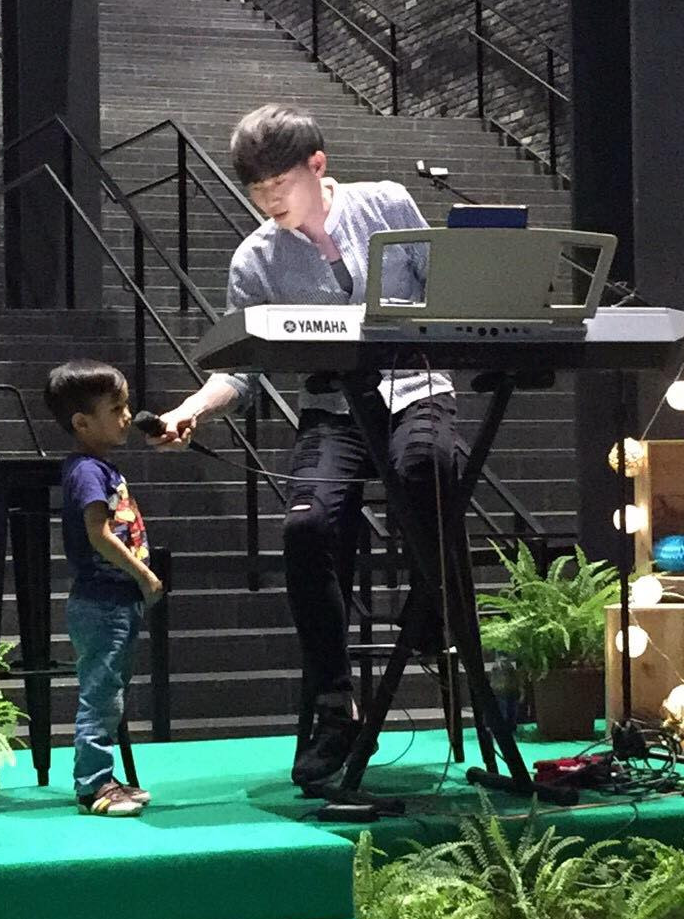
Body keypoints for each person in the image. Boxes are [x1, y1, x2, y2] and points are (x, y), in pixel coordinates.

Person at [150, 104, 463, 789]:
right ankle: (332, 703)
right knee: (307, 526)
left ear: (317, 165)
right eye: (257, 190)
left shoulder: (387, 203)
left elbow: (445, 296)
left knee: (428, 465)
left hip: (415, 387)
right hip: (333, 407)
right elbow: (242, 370)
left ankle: (434, 616)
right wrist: (192, 409)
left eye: (279, 185)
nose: (269, 201)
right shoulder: (255, 259)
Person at [46, 360, 163, 816]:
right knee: (100, 694)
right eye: (116, 409)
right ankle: (93, 786)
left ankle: (104, 780)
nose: (127, 416)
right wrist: (143, 574)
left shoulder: (100, 468)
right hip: (102, 601)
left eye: (126, 405)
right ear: (81, 423)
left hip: (115, 600)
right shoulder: (87, 472)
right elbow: (98, 534)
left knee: (109, 691)